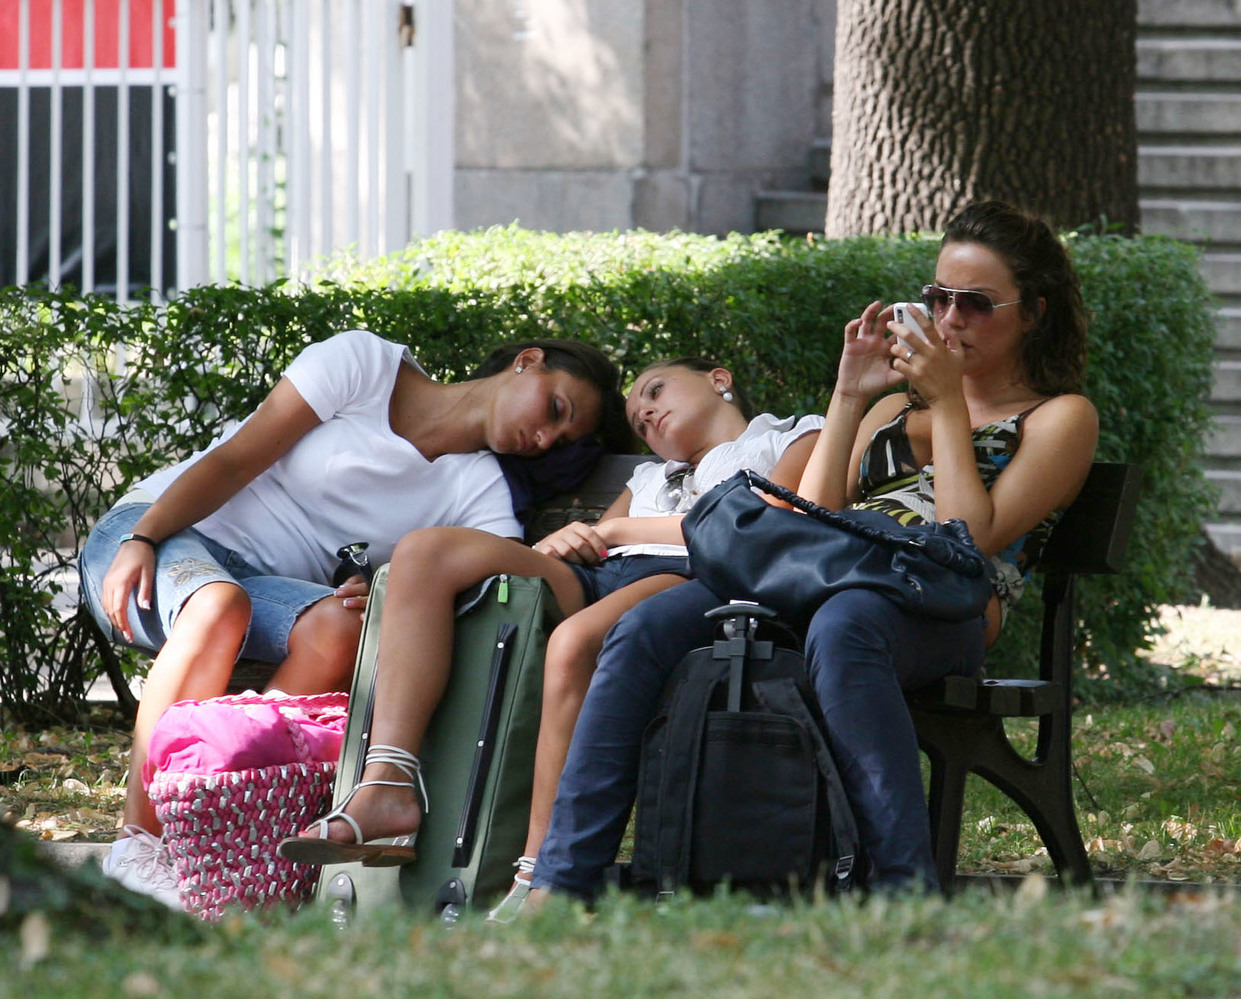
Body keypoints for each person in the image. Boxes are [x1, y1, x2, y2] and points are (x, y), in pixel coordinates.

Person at [523, 200, 1100, 904]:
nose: (950, 320)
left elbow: (967, 540)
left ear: (1033, 312)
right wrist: (850, 396)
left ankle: (903, 894)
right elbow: (813, 514)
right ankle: (560, 883)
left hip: (941, 606)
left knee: (845, 624)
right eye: (938, 298)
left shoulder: (1060, 418)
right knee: (642, 628)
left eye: (975, 303)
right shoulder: (892, 410)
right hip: (825, 577)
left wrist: (949, 402)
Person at [78, 329, 628, 908]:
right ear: (527, 361)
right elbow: (237, 458)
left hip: (262, 592)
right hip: (159, 535)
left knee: (341, 629)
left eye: (560, 441)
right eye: (555, 409)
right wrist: (144, 537)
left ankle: (215, 822)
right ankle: (138, 845)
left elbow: (499, 592)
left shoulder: (480, 490)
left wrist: (385, 590)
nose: (544, 438)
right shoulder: (366, 367)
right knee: (218, 605)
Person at [276, 359, 823, 899]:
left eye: (655, 391)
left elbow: (765, 519)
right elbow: (597, 543)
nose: (646, 415)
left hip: (689, 576)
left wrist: (614, 529)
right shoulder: (649, 476)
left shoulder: (785, 438)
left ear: (720, 379)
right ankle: (388, 782)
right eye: (637, 421)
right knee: (425, 551)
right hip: (601, 575)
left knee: (574, 641)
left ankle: (537, 871)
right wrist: (563, 542)